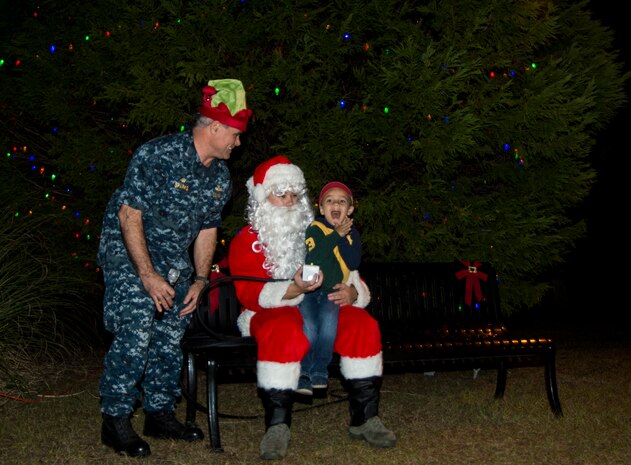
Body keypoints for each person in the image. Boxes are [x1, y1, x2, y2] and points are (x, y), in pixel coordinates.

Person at [96, 79, 252, 458]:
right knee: (137, 323)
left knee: (173, 326)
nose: (238, 142)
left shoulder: (219, 176)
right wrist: (147, 276)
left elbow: (208, 227)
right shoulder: (158, 154)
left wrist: (201, 278)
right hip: (129, 250)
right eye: (234, 134)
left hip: (173, 259)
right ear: (215, 127)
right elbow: (128, 214)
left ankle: (159, 412)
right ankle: (115, 418)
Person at [228, 155, 396, 460]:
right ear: (262, 198)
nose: (291, 202)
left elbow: (348, 269)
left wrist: (353, 293)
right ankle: (277, 425)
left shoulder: (317, 230)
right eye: (282, 195)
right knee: (283, 329)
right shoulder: (246, 241)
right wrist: (293, 289)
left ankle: (365, 417)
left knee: (362, 325)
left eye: (295, 194)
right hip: (270, 310)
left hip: (322, 303)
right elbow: (249, 293)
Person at [297, 181, 361, 396]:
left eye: (342, 202)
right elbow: (315, 257)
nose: (336, 204)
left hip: (332, 290)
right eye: (330, 201)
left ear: (350, 210)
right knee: (308, 326)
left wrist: (342, 235)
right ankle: (303, 371)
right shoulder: (314, 228)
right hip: (309, 289)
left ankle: (320, 371)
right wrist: (335, 235)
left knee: (328, 327)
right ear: (321, 208)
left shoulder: (352, 234)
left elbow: (352, 262)